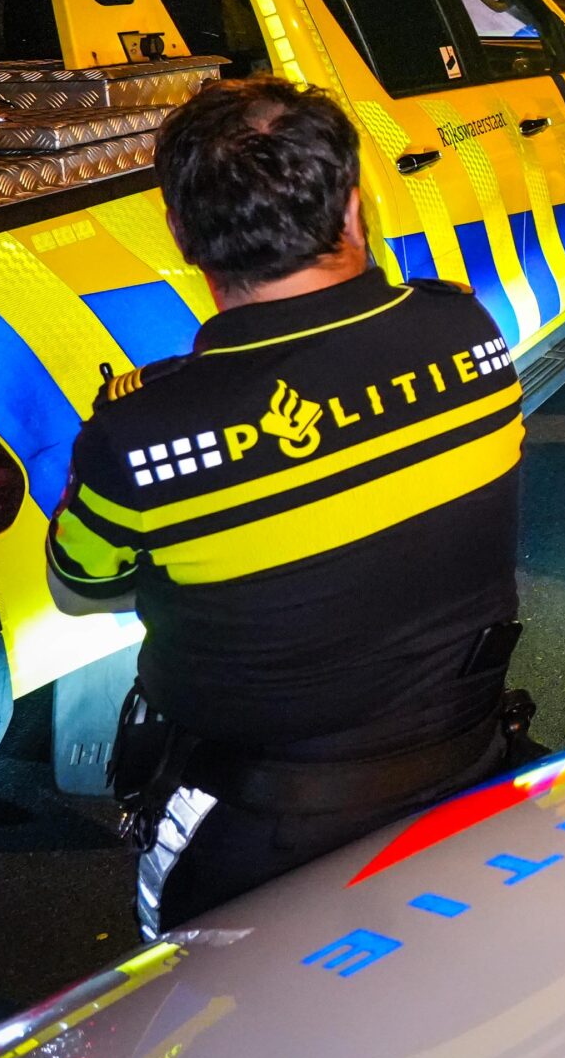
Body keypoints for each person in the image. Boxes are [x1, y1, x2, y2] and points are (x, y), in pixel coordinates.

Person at [46, 79, 529, 938]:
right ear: (352, 210)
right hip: (476, 768)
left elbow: (80, 585)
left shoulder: (143, 430)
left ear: (183, 235)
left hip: (255, 834)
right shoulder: (471, 335)